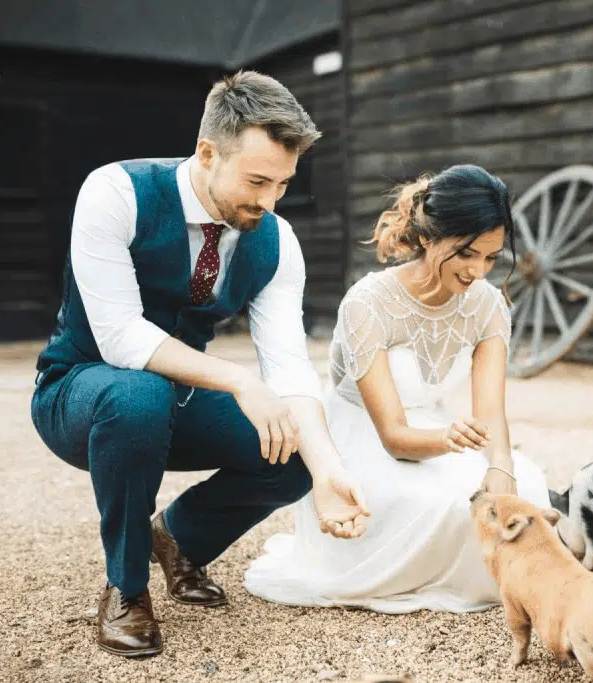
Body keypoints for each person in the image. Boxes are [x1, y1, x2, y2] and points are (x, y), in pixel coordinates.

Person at [29, 70, 370, 658]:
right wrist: (239, 380)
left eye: (283, 184)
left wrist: (327, 470)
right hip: (79, 389)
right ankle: (127, 586)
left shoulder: (276, 240)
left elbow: (289, 366)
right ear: (208, 153)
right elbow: (119, 338)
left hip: (172, 396)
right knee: (139, 394)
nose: (269, 202)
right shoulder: (115, 191)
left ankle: (178, 538)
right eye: (258, 180)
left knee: (291, 449)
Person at [243, 164, 552, 613]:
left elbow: (491, 417)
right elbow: (394, 437)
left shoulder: (487, 306)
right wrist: (448, 440)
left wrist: (501, 472)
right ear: (428, 237)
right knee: (440, 507)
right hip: (366, 435)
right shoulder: (369, 303)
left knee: (531, 490)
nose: (479, 271)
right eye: (467, 253)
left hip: (434, 430)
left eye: (491, 257)